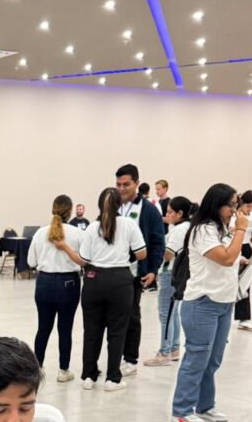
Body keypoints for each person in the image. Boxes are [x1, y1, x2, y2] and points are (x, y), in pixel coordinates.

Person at [171, 183, 246, 422]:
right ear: (216, 204)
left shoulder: (221, 228)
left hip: (224, 301)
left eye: (236, 205)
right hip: (202, 302)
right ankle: (182, 409)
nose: (235, 210)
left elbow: (231, 256)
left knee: (213, 359)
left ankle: (205, 405)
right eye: (231, 205)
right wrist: (241, 231)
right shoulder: (203, 230)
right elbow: (225, 258)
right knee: (197, 357)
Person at [67, 187, 146, 391]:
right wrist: (125, 255)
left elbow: (84, 260)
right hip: (120, 281)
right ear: (120, 205)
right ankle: (112, 379)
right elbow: (142, 253)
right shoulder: (129, 225)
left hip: (94, 280)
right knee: (117, 331)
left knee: (91, 331)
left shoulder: (92, 228)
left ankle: (88, 376)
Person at [114, 164, 165, 374]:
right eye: (118, 184)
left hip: (135, 272)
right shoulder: (112, 205)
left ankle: (131, 359)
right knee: (114, 317)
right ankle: (115, 356)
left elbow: (157, 242)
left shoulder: (149, 209)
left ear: (136, 183)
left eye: (126, 184)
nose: (122, 188)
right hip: (112, 270)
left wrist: (152, 269)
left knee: (132, 315)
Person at [27, 194, 84, 381]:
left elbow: (30, 261)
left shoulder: (40, 233)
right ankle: (63, 370)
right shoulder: (77, 233)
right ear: (71, 211)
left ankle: (38, 367)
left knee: (43, 327)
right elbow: (84, 259)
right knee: (65, 329)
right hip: (68, 283)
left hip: (44, 282)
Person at [144, 195, 192, 366]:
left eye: (170, 212)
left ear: (180, 213)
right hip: (176, 274)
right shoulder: (184, 227)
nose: (167, 215)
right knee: (173, 312)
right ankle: (173, 348)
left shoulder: (179, 230)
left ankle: (164, 352)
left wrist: (153, 249)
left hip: (170, 273)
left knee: (165, 313)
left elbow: (168, 254)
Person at [232, 190, 252, 331]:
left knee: (245, 283)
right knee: (230, 281)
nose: (250, 209)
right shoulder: (234, 216)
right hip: (234, 247)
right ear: (241, 203)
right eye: (248, 206)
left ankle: (244, 318)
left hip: (246, 248)